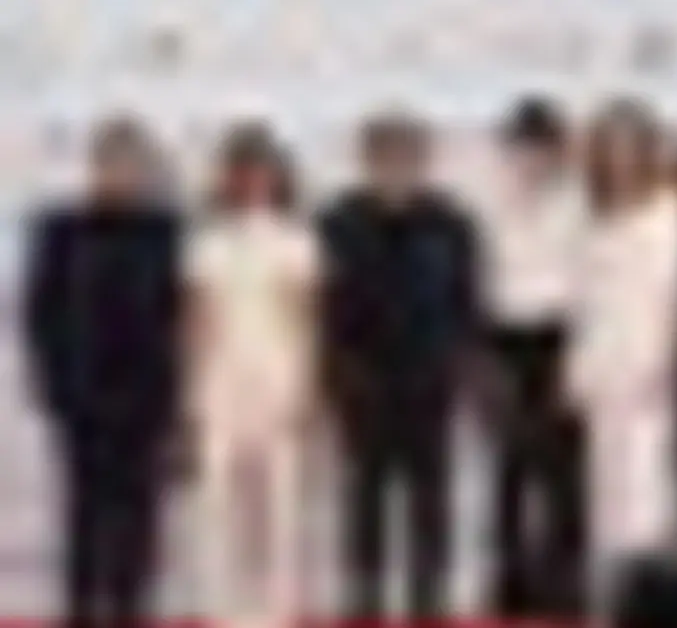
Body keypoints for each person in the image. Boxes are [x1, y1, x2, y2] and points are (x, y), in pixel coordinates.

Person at [319, 112, 481, 619]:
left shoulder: (451, 224)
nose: (395, 169)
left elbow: (465, 304)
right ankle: (364, 600)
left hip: (429, 381)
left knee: (430, 499)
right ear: (366, 162)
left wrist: (458, 367)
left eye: (406, 157)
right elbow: (324, 307)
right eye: (384, 157)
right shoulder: (337, 223)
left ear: (424, 161)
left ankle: (427, 601)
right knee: (363, 499)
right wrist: (338, 373)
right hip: (362, 381)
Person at [23, 117, 183, 628]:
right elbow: (40, 313)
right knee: (84, 513)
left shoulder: (166, 232)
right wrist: (54, 386)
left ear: (146, 170)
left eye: (131, 165)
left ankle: (131, 609)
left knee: (140, 517)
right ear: (93, 167)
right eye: (111, 164)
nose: (121, 175)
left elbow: (180, 317)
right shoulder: (61, 230)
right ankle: (82, 609)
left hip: (147, 398)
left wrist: (173, 396)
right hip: (82, 396)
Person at [185, 123, 316, 627]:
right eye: (243, 172)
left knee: (279, 495)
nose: (253, 182)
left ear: (278, 176)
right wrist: (192, 387)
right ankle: (221, 606)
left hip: (278, 370)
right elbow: (198, 318)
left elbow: (304, 317)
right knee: (218, 495)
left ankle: (277, 607)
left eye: (262, 171)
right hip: (221, 374)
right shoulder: (208, 240)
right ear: (227, 177)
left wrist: (306, 385)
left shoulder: (295, 239)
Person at [566, 100, 677, 610]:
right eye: (610, 146)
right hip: (601, 364)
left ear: (647, 150)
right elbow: (584, 300)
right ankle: (606, 602)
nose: (620, 157)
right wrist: (575, 367)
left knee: (646, 490)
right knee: (603, 493)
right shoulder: (594, 217)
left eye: (629, 145)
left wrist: (664, 363)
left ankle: (647, 603)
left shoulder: (669, 213)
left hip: (647, 364)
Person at [475, 96, 589, 616]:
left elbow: (589, 282)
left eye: (543, 147)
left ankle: (565, 586)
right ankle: (509, 585)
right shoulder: (489, 204)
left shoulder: (580, 204)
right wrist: (482, 355)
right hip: (503, 339)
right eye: (523, 147)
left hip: (561, 337)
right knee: (508, 470)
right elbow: (478, 279)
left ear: (560, 151)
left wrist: (578, 356)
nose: (533, 158)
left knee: (564, 474)